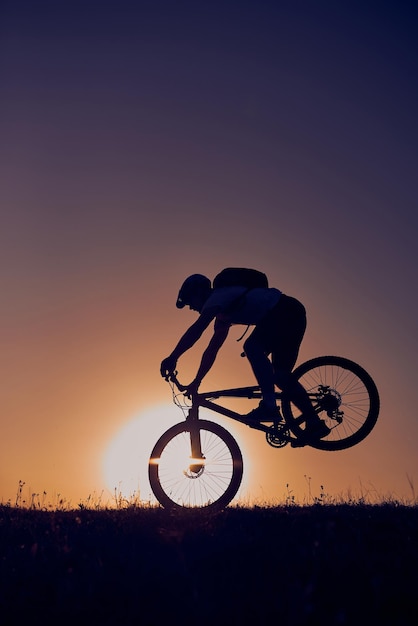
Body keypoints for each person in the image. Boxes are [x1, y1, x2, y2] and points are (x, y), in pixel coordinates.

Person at [160, 273, 330, 444]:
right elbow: (212, 350)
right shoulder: (222, 314)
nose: (191, 307)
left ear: (199, 292)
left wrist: (173, 357)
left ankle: (269, 406)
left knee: (252, 347)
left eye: (190, 301)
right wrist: (197, 381)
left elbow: (197, 329)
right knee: (281, 377)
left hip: (284, 312)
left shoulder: (217, 297)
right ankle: (315, 423)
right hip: (289, 313)